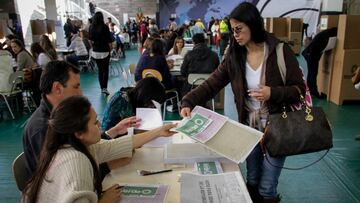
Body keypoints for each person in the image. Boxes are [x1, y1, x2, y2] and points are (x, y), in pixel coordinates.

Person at [180, 3, 305, 203]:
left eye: (239, 29)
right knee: (253, 178)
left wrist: (273, 93)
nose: (235, 34)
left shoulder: (280, 51)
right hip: (250, 129)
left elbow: (299, 90)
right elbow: (213, 82)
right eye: (232, 30)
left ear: (253, 24)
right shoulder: (235, 55)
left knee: (267, 186)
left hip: (278, 128)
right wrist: (189, 101)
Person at [22, 95, 176, 202]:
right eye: (95, 123)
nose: (100, 126)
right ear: (79, 133)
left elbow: (120, 144)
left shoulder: (75, 145)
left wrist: (158, 131)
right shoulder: (76, 161)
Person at [22, 61, 140, 183]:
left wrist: (113, 131)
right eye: (76, 86)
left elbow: (83, 146)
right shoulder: (42, 129)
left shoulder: (61, 115)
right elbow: (62, 178)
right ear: (57, 88)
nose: (81, 93)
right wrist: (108, 166)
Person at [102, 77, 166, 131]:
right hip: (114, 138)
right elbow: (107, 129)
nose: (152, 107)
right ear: (146, 96)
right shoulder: (121, 100)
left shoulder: (138, 97)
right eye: (152, 104)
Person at [302, 27, 337, 98]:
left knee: (311, 73)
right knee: (313, 74)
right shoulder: (328, 36)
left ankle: (309, 91)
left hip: (308, 53)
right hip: (311, 55)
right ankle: (314, 93)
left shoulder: (324, 34)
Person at [89, 11, 114, 95]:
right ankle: (105, 88)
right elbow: (109, 40)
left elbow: (90, 40)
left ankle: (101, 88)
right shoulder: (105, 27)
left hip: (96, 51)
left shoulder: (91, 27)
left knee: (100, 70)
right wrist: (110, 49)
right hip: (105, 51)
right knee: (105, 70)